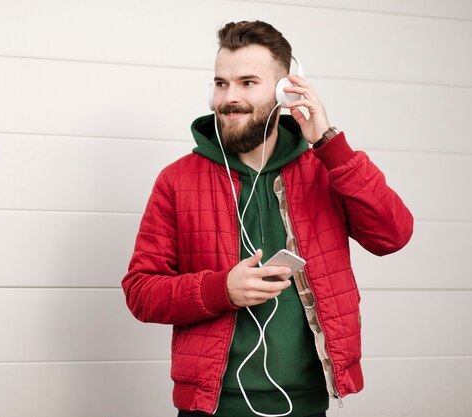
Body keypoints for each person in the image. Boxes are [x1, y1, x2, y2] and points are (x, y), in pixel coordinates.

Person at [122, 20, 413, 417]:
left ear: (283, 90)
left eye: (247, 82)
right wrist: (221, 290)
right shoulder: (177, 180)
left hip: (306, 404)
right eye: (221, 83)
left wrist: (329, 143)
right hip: (212, 406)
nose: (230, 98)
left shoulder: (324, 169)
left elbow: (393, 235)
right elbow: (141, 291)